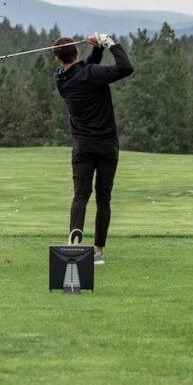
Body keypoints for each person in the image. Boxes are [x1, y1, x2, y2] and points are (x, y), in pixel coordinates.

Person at [52, 33, 133, 264]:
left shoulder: (62, 81)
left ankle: (75, 242)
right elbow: (126, 68)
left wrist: (96, 51)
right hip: (107, 146)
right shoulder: (93, 75)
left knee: (81, 196)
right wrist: (109, 44)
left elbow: (84, 71)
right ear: (76, 52)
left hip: (83, 148)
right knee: (103, 199)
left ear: (59, 60)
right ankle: (97, 251)